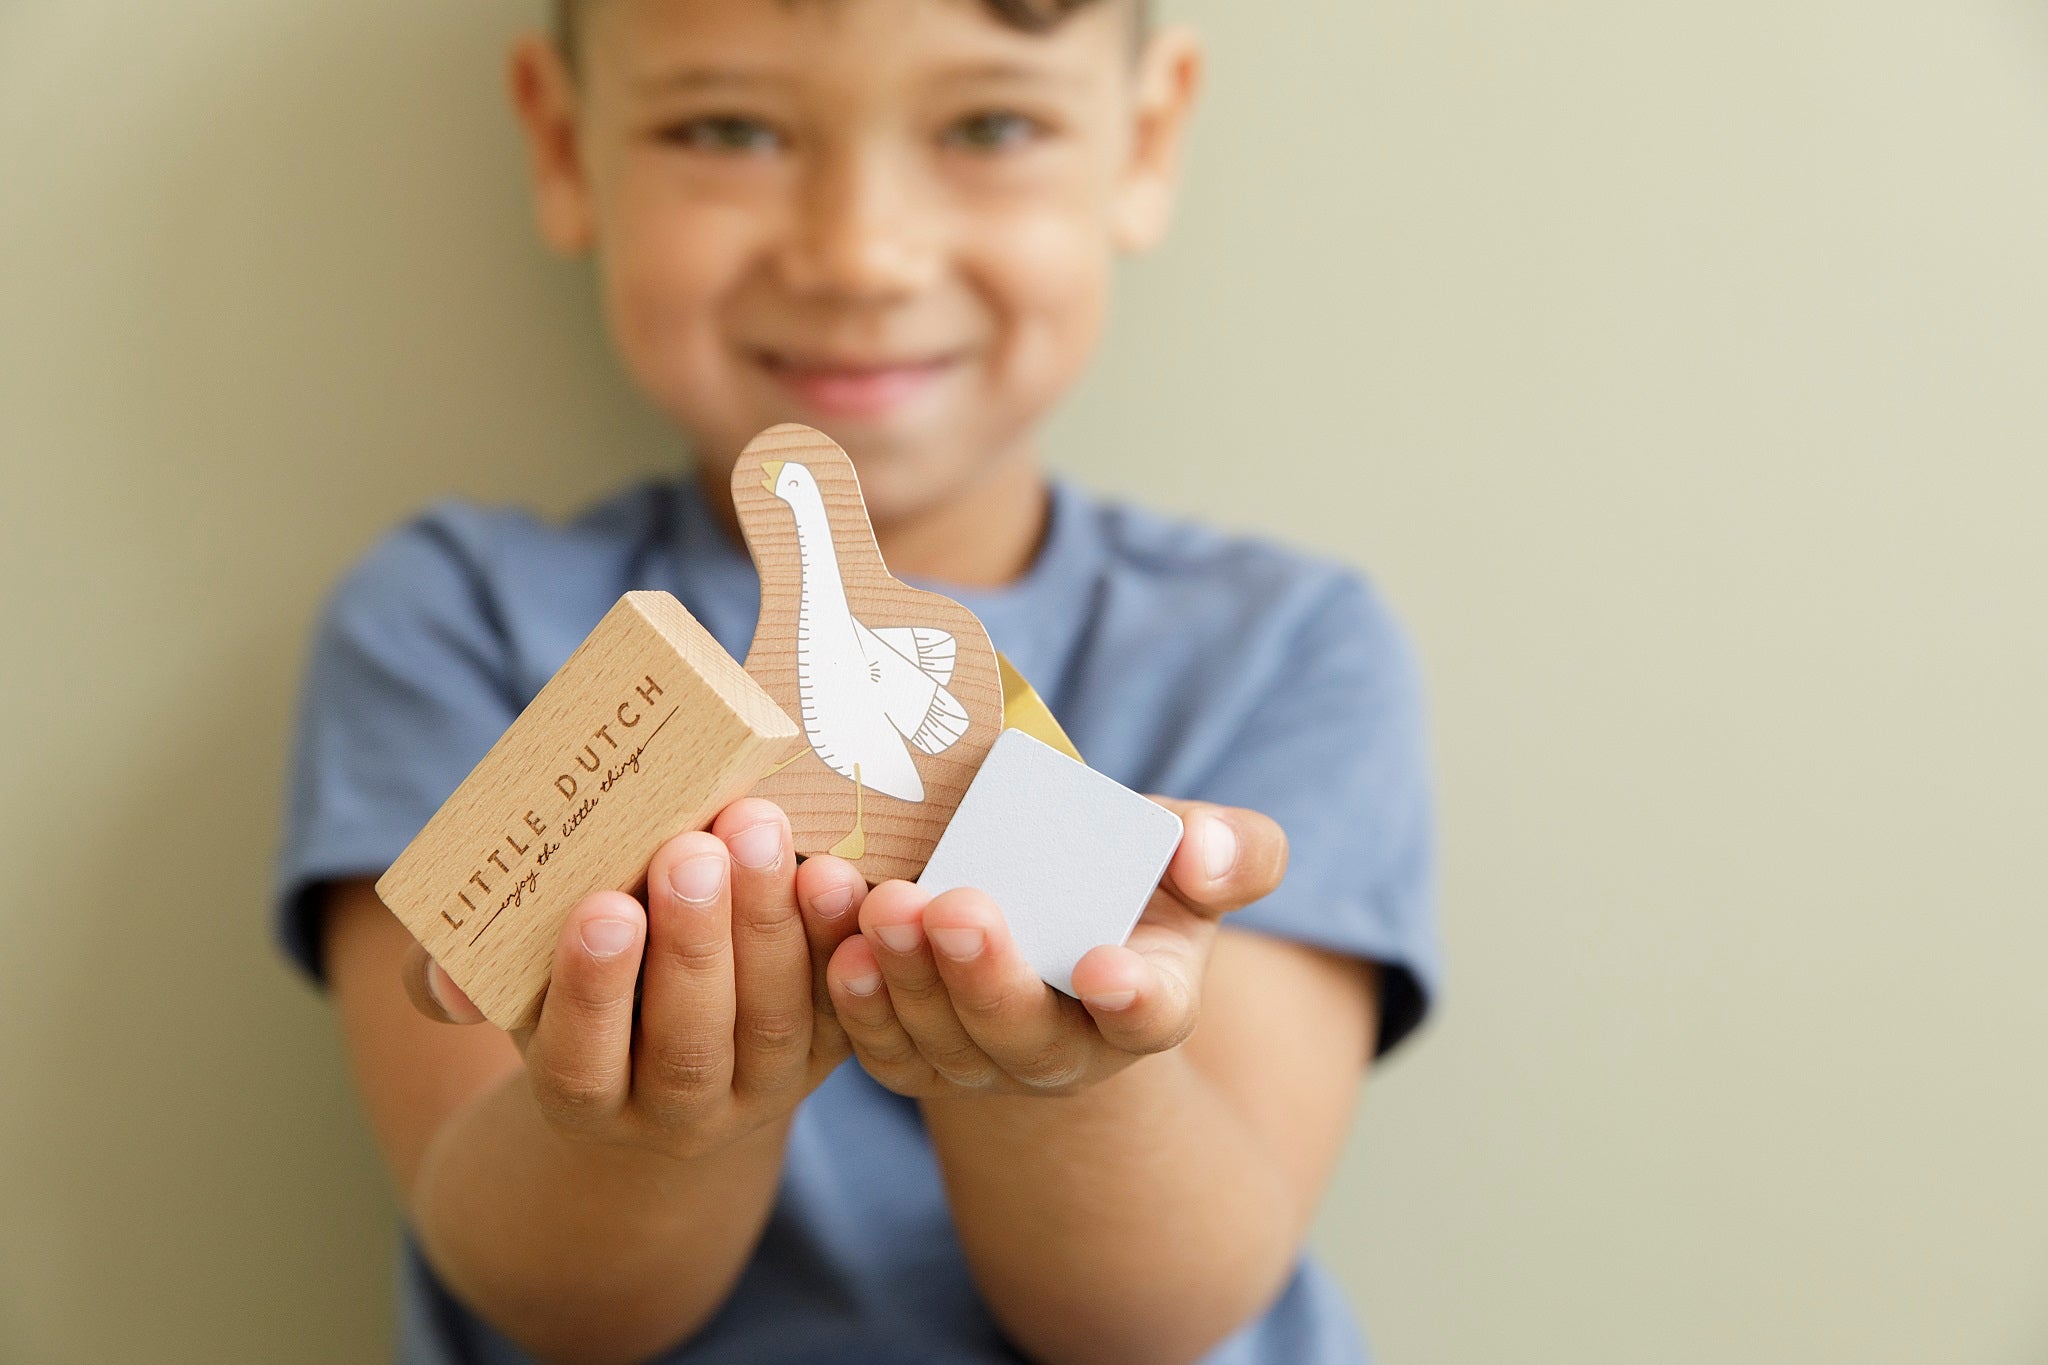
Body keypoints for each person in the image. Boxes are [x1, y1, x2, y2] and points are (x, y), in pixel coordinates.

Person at [275, 1, 1439, 1361]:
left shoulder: (1280, 647)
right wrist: (657, 1114)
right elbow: (545, 1299)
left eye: (989, 124)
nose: (859, 255)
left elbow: (1161, 1314)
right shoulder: (457, 621)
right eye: (729, 128)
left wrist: (1053, 1071)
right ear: (561, 140)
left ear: (1144, 140)